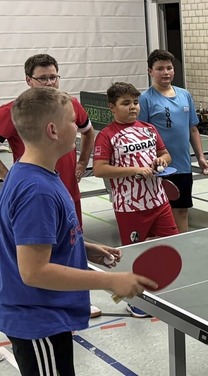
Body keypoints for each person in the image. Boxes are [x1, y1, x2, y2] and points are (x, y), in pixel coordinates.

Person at [0, 86, 154, 375]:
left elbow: (32, 239)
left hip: (48, 315)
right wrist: (110, 282)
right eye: (72, 121)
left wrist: (83, 248)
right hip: (38, 322)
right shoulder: (37, 190)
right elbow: (34, 271)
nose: (79, 127)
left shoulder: (35, 172)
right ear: (53, 131)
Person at [0, 53, 102, 318]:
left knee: (70, 242)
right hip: (38, 193)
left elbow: (88, 131)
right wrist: (6, 175)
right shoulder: (14, 111)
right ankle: (43, 303)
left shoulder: (71, 105)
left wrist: (82, 162)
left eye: (53, 77)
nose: (49, 83)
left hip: (66, 189)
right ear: (29, 80)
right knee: (35, 253)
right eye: (42, 78)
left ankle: (76, 299)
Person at [93, 82, 179, 318]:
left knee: (172, 247)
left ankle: (166, 291)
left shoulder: (149, 129)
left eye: (135, 103)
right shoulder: (107, 135)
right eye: (125, 103)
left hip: (159, 201)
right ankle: (135, 300)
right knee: (135, 254)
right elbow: (99, 169)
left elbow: (165, 154)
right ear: (112, 107)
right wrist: (134, 170)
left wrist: (162, 161)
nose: (132, 108)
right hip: (130, 206)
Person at [139, 49, 208, 232]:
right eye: (160, 68)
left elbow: (193, 129)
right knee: (160, 213)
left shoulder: (185, 95)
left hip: (183, 165)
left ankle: (181, 249)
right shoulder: (145, 99)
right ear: (150, 71)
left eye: (169, 68)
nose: (165, 72)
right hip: (158, 168)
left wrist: (201, 157)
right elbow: (141, 134)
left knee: (181, 212)